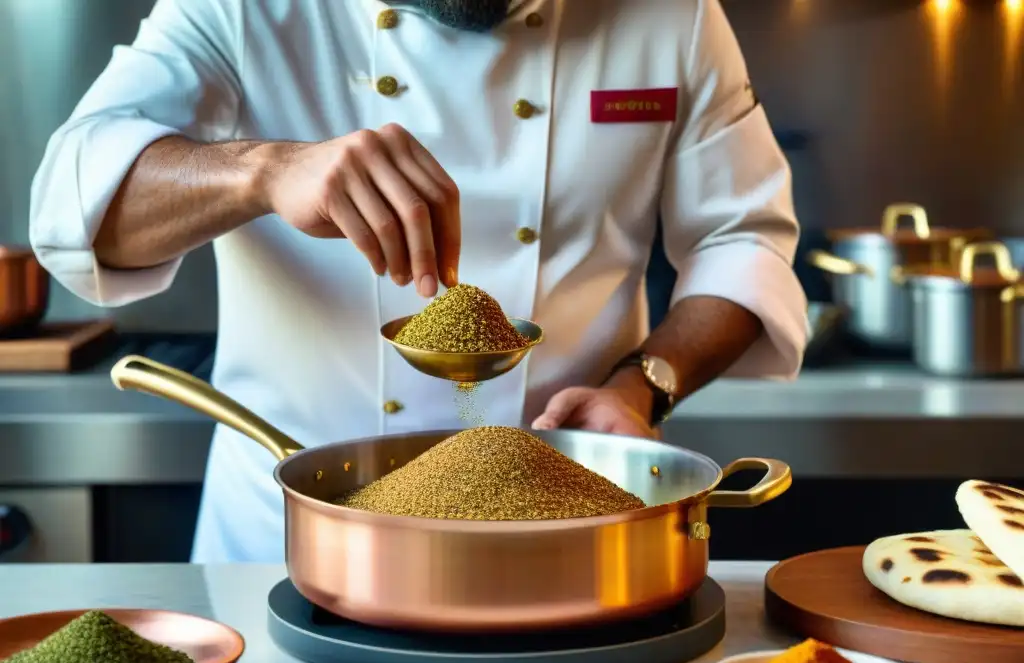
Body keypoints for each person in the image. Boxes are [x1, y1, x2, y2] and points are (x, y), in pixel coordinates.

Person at [30, 0, 808, 563]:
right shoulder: (240, 9)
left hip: (567, 539)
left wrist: (641, 387)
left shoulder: (674, 16)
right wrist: (263, 171)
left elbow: (744, 237)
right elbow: (74, 203)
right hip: (284, 545)